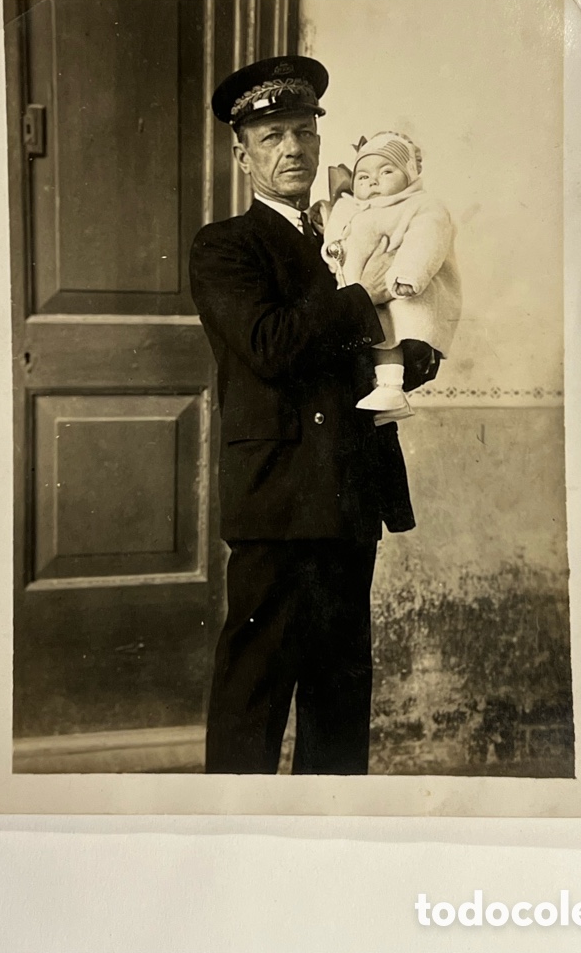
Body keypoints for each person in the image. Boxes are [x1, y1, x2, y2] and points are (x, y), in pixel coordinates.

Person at [188, 56, 439, 775]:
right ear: (243, 155)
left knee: (340, 695)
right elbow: (271, 346)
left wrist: (413, 353)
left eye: (303, 132)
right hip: (280, 500)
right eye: (271, 137)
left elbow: (364, 347)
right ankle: (231, 845)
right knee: (254, 695)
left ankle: (333, 846)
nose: (293, 148)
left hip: (351, 491)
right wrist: (359, 295)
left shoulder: (350, 229)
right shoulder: (225, 247)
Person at [317, 130, 461, 423]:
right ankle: (386, 397)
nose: (373, 181)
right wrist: (333, 254)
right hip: (358, 296)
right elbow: (336, 235)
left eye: (386, 171)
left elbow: (427, 240)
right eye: (363, 176)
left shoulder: (419, 206)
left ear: (409, 177)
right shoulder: (349, 207)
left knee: (392, 333)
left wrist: (409, 273)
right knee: (375, 337)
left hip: (401, 290)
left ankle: (392, 388)